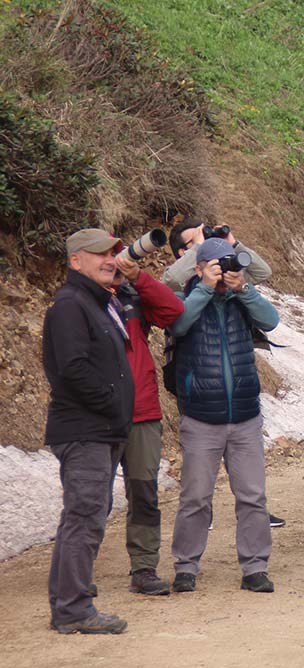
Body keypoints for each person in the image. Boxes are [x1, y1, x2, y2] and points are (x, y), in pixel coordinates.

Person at [169, 238, 280, 593]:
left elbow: (271, 320)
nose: (224, 272)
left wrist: (243, 289)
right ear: (199, 267)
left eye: (227, 265)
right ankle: (186, 566)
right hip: (201, 416)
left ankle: (255, 568)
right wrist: (203, 288)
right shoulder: (184, 297)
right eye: (216, 265)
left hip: (245, 415)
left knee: (252, 496)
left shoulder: (241, 297)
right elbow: (178, 325)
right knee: (196, 497)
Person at [43, 229, 135, 634]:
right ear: (75, 260)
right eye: (99, 254)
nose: (109, 259)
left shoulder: (98, 302)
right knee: (85, 518)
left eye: (112, 253)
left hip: (99, 429)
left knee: (81, 517)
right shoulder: (70, 305)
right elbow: (72, 369)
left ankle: (66, 603)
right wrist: (112, 402)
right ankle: (75, 609)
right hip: (85, 430)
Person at [112, 245, 184, 595]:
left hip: (142, 411)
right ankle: (76, 573)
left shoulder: (132, 296)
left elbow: (172, 309)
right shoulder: (79, 301)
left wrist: (138, 278)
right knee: (94, 498)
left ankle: (144, 567)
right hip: (101, 416)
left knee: (144, 493)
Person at [164, 217, 271, 293]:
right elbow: (173, 280)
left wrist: (234, 245)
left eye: (205, 237)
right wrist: (198, 247)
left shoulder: (223, 268)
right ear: (182, 251)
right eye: (196, 238)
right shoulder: (178, 274)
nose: (204, 242)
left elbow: (262, 273)